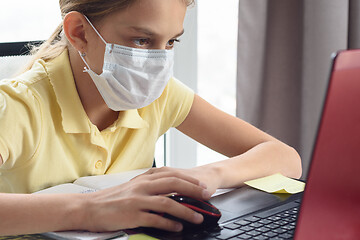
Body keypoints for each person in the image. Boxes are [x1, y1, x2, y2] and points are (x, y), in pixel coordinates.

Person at [0, 0, 302, 236]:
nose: (158, 63)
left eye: (171, 42)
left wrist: (204, 178)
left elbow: (285, 158)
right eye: (142, 41)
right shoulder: (17, 106)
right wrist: (89, 209)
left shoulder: (161, 95)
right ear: (79, 32)